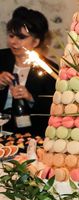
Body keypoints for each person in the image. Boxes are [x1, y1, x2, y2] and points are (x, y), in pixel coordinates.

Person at [0, 7, 57, 137]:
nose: (13, 42)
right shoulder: (1, 58)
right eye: (11, 35)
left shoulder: (49, 70)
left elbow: (53, 108)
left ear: (36, 41)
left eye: (21, 37)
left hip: (31, 133)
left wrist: (30, 98)